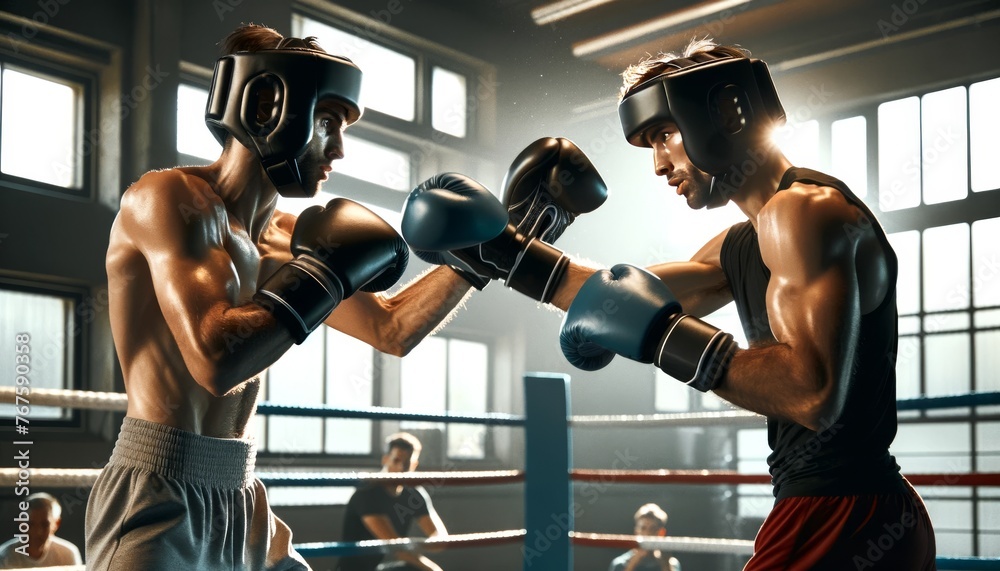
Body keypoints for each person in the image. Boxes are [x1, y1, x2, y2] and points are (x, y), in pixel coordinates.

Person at [84, 23, 607, 570]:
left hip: (241, 497)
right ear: (268, 108)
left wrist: (487, 254)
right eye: (327, 122)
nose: (337, 148)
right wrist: (325, 273)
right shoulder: (167, 199)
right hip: (160, 493)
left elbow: (391, 328)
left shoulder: (291, 238)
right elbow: (215, 359)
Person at [404, 39, 936, 570]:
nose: (660, 165)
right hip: (846, 510)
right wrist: (513, 255)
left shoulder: (802, 211)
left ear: (724, 112)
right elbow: (628, 293)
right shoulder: (745, 240)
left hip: (841, 513)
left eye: (664, 136)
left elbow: (810, 392)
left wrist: (661, 338)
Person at [338, 433, 447, 571]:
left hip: (376, 567)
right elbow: (397, 549)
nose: (401, 468)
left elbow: (440, 537)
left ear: (414, 465)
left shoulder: (413, 494)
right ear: (385, 459)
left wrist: (419, 545)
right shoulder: (367, 492)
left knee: (413, 568)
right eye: (396, 460)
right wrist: (433, 569)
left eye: (407, 463)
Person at [0, 493, 83, 568]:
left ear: (56, 524)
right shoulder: (5, 555)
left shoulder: (67, 554)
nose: (38, 532)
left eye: (45, 525)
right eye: (31, 524)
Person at [608, 503, 680, 571]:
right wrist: (631, 566)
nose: (647, 534)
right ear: (636, 531)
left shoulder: (672, 564)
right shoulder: (620, 564)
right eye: (643, 528)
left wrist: (666, 566)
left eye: (653, 529)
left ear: (661, 533)